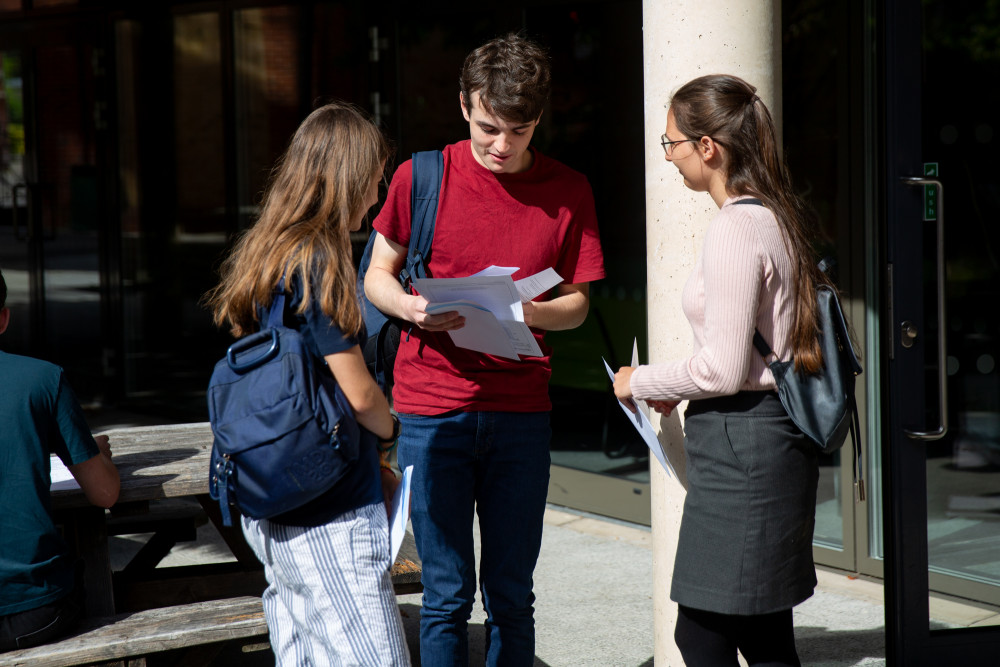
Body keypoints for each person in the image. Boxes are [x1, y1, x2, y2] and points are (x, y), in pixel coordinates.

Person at [365, 33, 605, 666]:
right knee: (445, 595)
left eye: (519, 131)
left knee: (511, 595)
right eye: (489, 127)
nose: (502, 145)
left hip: (521, 414)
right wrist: (414, 307)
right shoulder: (421, 177)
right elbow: (376, 276)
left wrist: (530, 311)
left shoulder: (569, 190)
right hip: (428, 412)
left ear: (539, 121)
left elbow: (578, 303)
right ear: (465, 104)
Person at [612, 74, 827, 666]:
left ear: (708, 147)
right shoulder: (773, 214)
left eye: (672, 143)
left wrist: (640, 382)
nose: (670, 156)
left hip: (746, 448)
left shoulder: (737, 226)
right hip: (762, 439)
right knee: (761, 631)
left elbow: (723, 368)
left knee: (702, 632)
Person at [203, 101, 410, 666]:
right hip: (331, 505)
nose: (378, 194)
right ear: (348, 177)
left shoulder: (269, 251)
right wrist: (394, 430)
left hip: (270, 499)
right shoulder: (320, 259)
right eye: (374, 179)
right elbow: (359, 393)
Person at [0, 267, 120, 653]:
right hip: (37, 611)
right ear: (4, 317)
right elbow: (105, 494)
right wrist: (99, 454)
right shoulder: (42, 379)